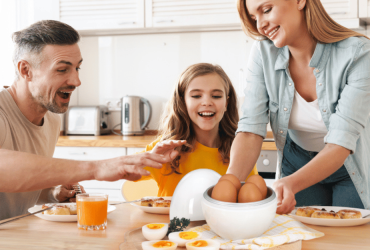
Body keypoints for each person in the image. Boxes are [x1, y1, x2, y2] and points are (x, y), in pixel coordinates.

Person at [0, 20, 185, 221]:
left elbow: (17, 187)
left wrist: (53, 192)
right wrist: (97, 167)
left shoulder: (51, 120)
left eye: (77, 68)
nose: (76, 81)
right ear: (26, 70)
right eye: (62, 70)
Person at [226, 0, 370, 214]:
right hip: (296, 161)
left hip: (349, 165)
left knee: (346, 240)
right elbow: (250, 129)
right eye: (255, 18)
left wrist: (290, 184)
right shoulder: (262, 53)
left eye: (266, 10)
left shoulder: (358, 53)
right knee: (303, 239)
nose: (260, 25)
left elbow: (341, 142)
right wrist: (228, 185)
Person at [136, 63, 258, 196]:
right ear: (183, 102)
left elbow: (250, 195)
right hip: (170, 218)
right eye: (196, 96)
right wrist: (151, 159)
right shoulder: (166, 148)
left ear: (226, 104)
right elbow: (125, 171)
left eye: (216, 96)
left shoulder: (241, 150)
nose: (207, 102)